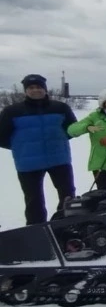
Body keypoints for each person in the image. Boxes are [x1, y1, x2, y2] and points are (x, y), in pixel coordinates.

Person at [0, 74, 76, 224]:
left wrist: (58, 141)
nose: (36, 90)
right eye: (31, 88)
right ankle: (36, 229)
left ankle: (67, 224)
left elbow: (72, 129)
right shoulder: (12, 111)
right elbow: (2, 137)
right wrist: (21, 147)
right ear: (25, 91)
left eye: (39, 87)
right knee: (34, 199)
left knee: (68, 195)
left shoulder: (60, 107)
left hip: (59, 159)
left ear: (45, 89)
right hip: (28, 164)